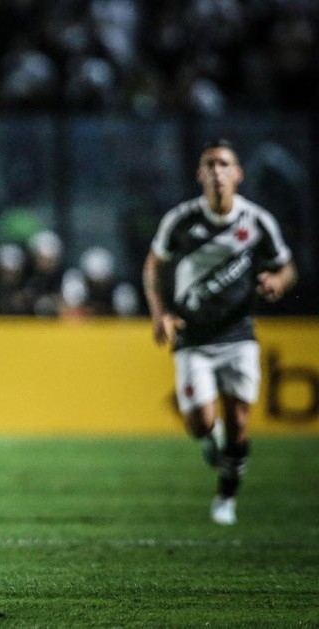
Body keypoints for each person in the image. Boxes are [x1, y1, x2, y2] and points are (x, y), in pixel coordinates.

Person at [143, 139, 296, 526]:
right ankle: (212, 436)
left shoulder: (257, 221)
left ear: (238, 174)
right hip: (193, 335)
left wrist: (278, 280)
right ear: (199, 175)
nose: (217, 171)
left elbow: (287, 266)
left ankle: (226, 497)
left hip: (238, 333)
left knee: (241, 419)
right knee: (199, 424)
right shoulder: (180, 221)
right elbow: (153, 267)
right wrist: (160, 313)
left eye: (224, 164)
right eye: (209, 164)